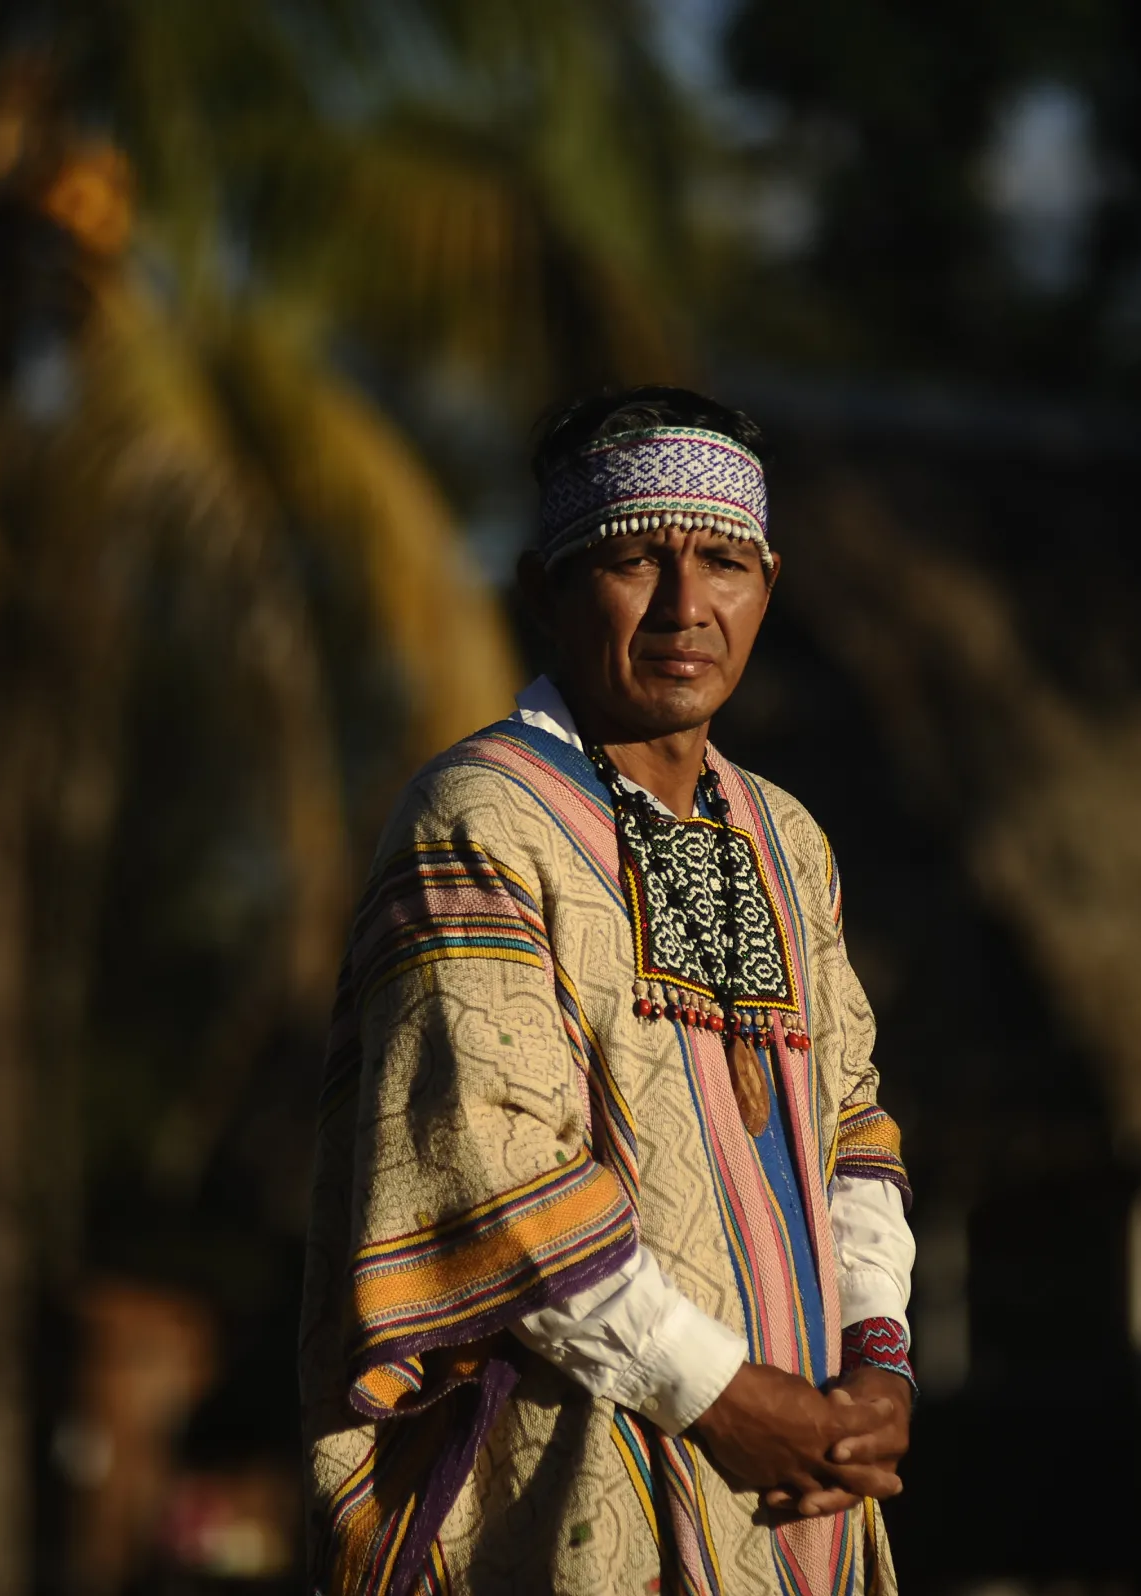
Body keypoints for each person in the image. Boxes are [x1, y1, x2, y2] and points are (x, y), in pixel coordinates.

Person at [299, 387, 915, 1595]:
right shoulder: (479, 819)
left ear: (768, 588)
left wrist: (874, 1369)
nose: (688, 607)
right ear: (545, 589)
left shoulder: (788, 840)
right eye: (635, 558)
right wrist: (728, 1398)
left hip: (800, 1495)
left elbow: (856, 1125)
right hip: (566, 1497)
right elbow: (488, 1173)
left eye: (724, 561)